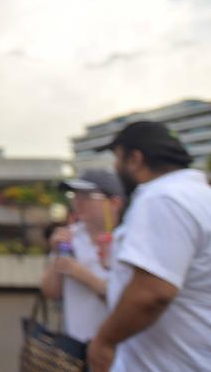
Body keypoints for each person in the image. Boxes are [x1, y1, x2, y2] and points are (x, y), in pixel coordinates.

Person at [89, 121, 211, 372]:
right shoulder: (198, 195)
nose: (115, 167)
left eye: (118, 158)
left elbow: (152, 293)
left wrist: (104, 341)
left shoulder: (162, 198)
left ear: (135, 159)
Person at [39, 169, 125, 344]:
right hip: (76, 347)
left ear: (114, 202)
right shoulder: (71, 237)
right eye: (75, 195)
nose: (78, 202)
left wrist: (79, 273)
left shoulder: (129, 240)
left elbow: (130, 302)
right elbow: (51, 292)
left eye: (87, 196)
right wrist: (56, 254)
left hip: (120, 349)